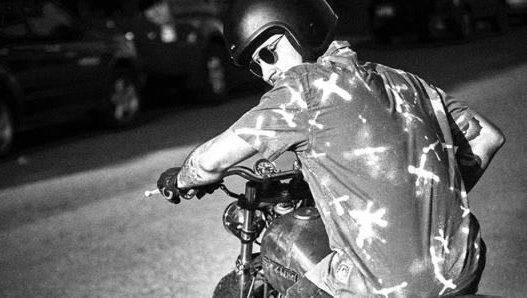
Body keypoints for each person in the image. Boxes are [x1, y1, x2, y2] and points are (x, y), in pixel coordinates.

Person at [156, 0, 505, 296]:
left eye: (268, 53)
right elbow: (486, 136)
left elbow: (209, 162)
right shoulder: (406, 81)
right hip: (463, 267)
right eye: (255, 65)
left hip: (384, 287)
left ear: (301, 29)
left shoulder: (305, 87)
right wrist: (420, 200)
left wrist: (180, 179)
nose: (266, 71)